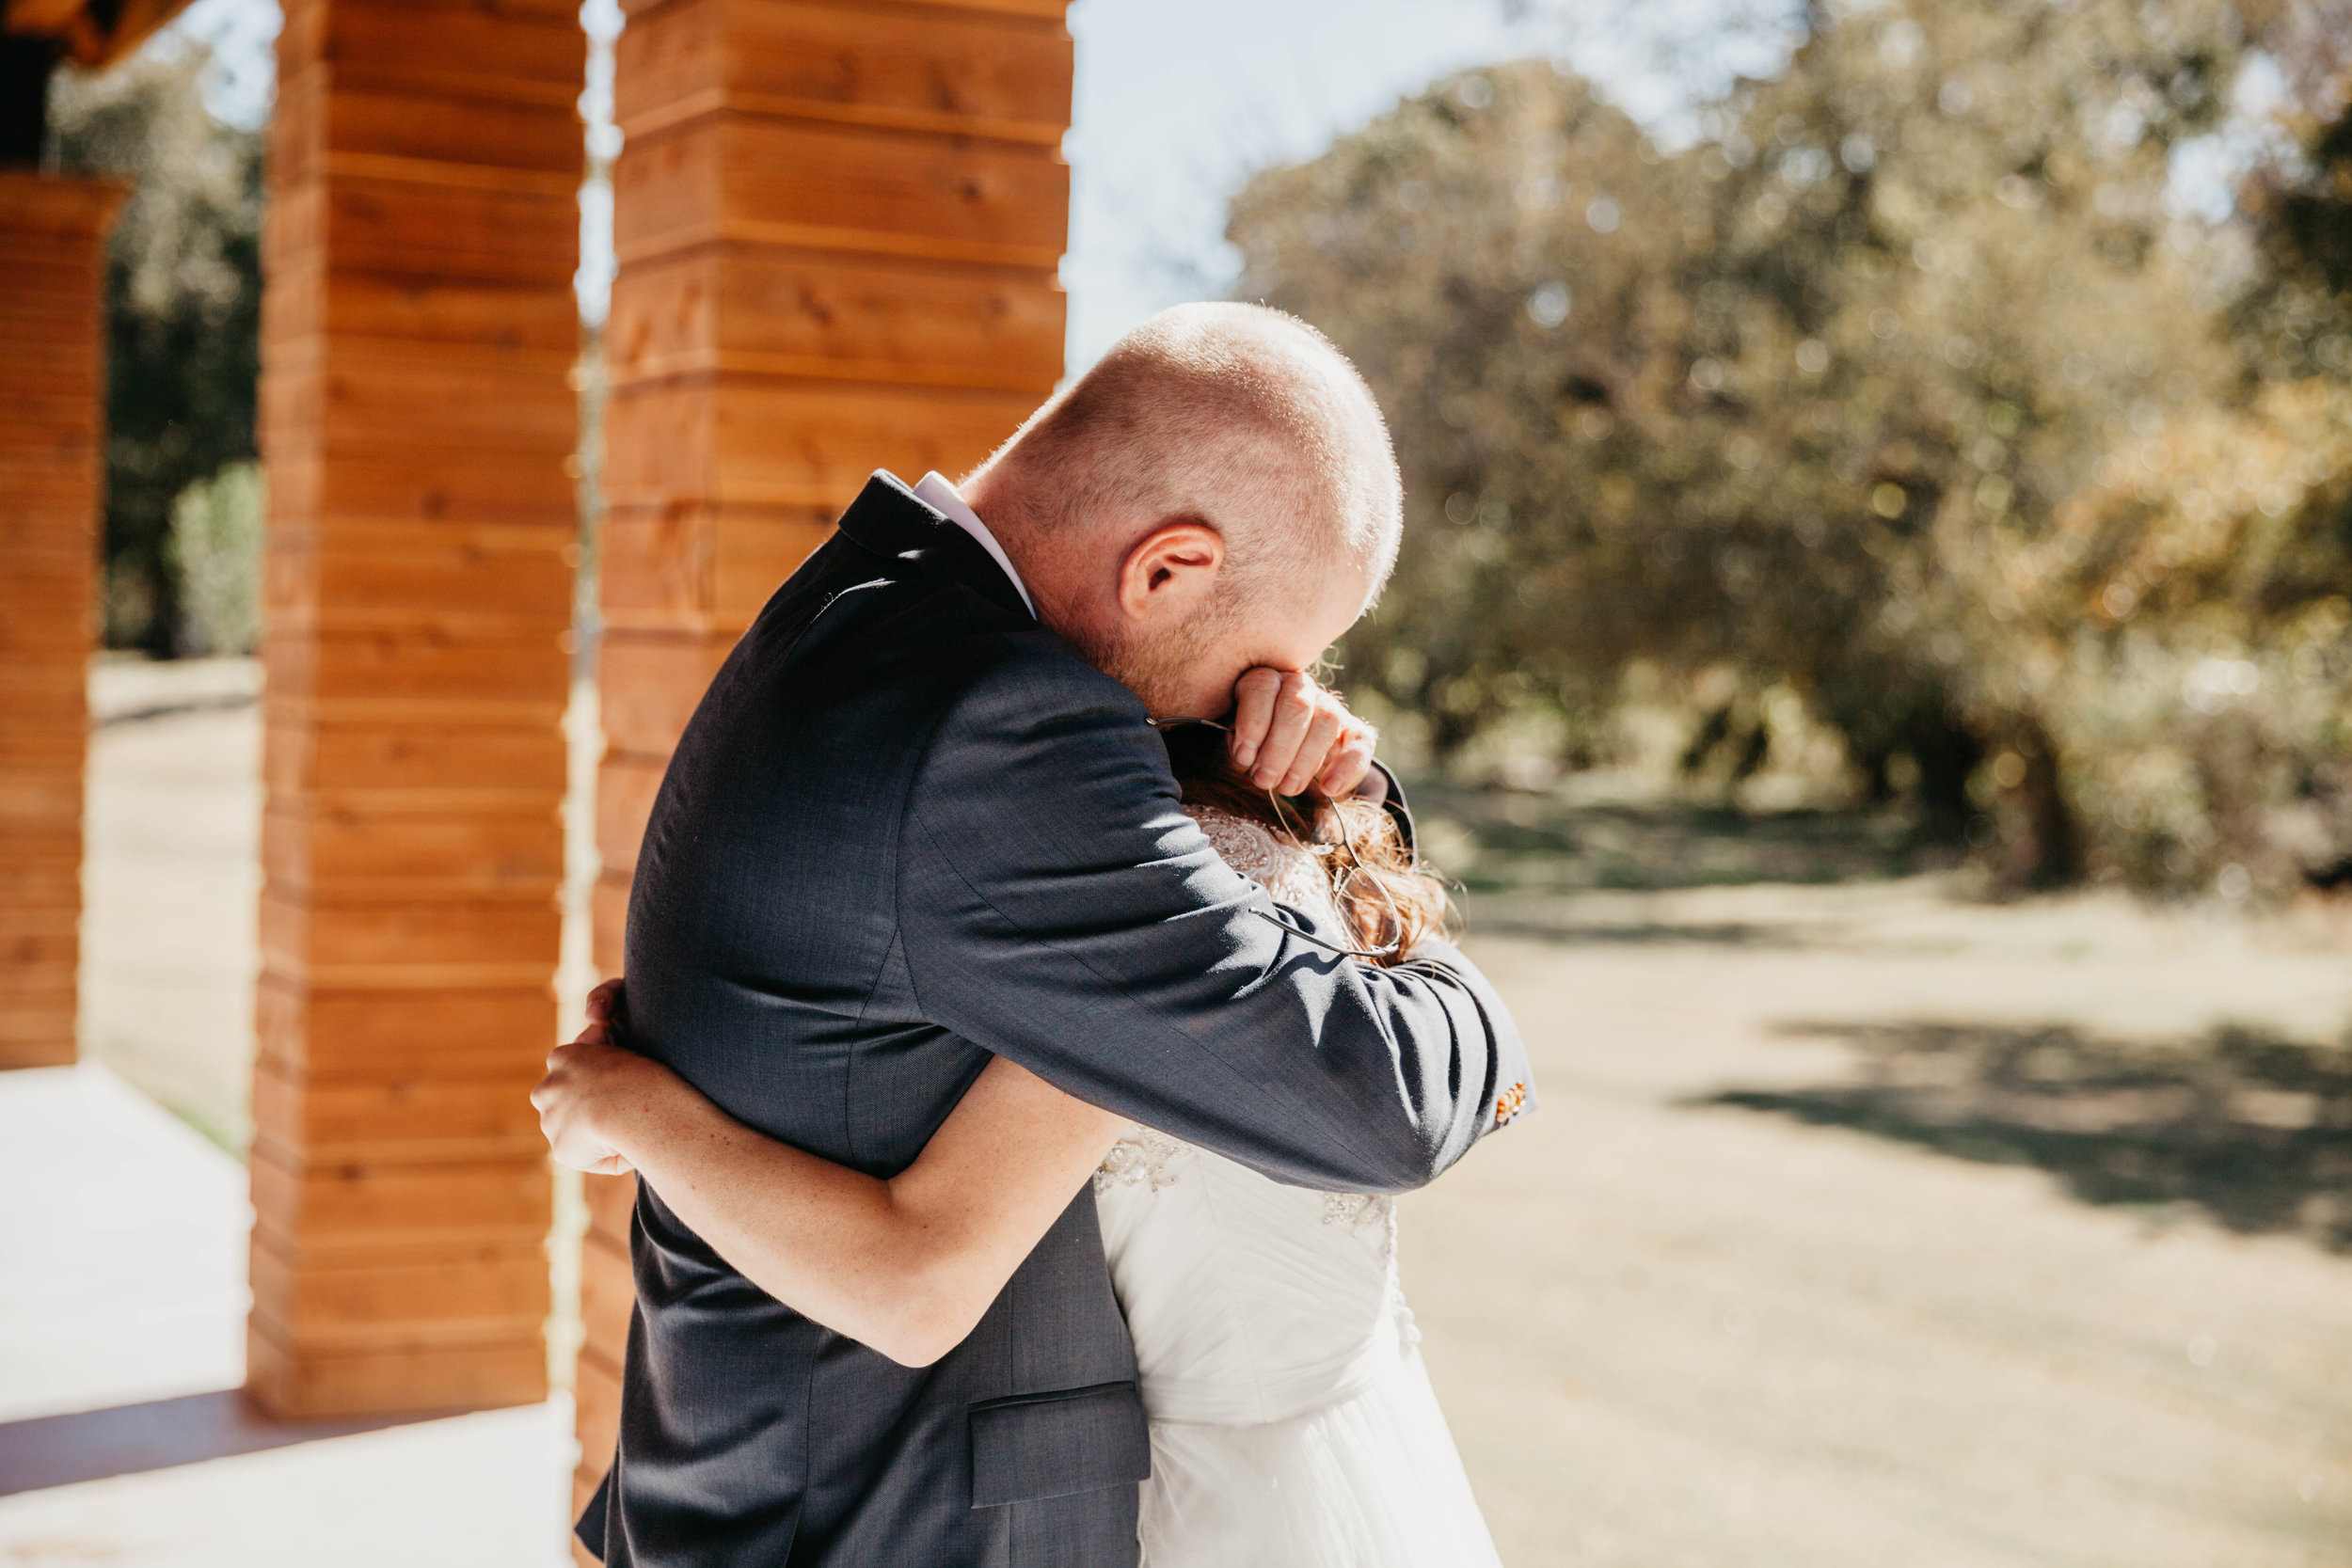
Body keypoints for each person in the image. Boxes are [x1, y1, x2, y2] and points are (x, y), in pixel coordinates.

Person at [550, 302, 1534, 1567]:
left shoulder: (863, 605)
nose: (1270, 696)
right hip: (867, 1523)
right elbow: (1380, 1102)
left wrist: (1327, 803)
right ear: (1167, 568)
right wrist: (1479, 1009)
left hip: (747, 1479)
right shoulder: (1000, 729)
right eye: (1272, 656)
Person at [537, 721, 1504, 1566]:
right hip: (1363, 1435)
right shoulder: (1297, 840)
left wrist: (636, 1111)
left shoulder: (1141, 932)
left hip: (1205, 1501)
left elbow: (915, 1278)